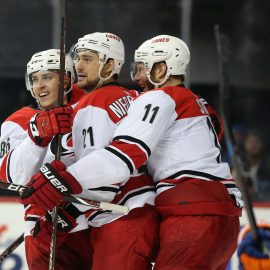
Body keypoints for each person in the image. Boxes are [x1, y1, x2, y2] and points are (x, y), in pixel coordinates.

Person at [21, 34, 244, 269]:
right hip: (221, 214)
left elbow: (125, 155)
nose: (136, 77)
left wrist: (63, 180)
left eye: (141, 68)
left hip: (193, 213)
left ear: (161, 69)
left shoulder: (160, 97)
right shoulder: (198, 102)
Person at [22, 32, 159, 270]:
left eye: (87, 59)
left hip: (121, 213)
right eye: (78, 59)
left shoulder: (95, 102)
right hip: (140, 209)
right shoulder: (133, 97)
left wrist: (67, 212)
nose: (78, 65)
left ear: (109, 64)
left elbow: (102, 178)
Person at [0, 49, 91, 270]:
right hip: (44, 226)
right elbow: (10, 176)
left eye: (47, 77)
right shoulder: (17, 121)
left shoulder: (88, 107)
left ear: (67, 79)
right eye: (35, 79)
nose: (39, 86)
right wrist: (36, 137)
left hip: (92, 220)